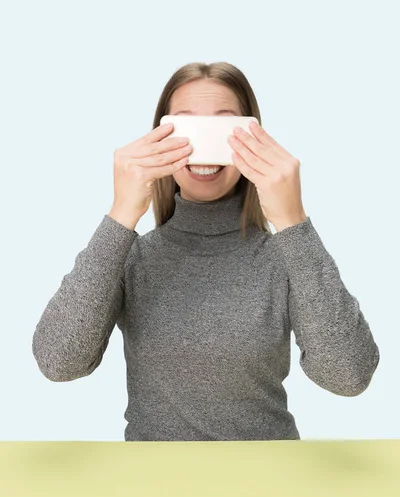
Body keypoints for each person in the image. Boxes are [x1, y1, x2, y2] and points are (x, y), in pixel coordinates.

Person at [32, 61, 380, 441]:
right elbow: (58, 362)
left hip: (269, 483)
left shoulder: (288, 256)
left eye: (223, 126)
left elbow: (349, 375)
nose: (203, 149)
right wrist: (122, 214)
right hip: (151, 487)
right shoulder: (130, 257)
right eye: (186, 126)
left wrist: (293, 222)